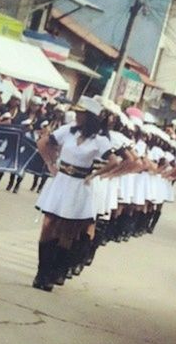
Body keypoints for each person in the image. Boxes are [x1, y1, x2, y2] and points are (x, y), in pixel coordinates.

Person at [33, 96, 115, 291]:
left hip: (79, 185)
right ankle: (41, 272)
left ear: (90, 117)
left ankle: (54, 273)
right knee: (48, 224)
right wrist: (50, 163)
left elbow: (114, 161)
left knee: (67, 231)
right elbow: (43, 142)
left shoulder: (99, 140)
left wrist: (95, 174)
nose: (77, 116)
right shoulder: (67, 132)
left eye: (81, 113)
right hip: (61, 180)